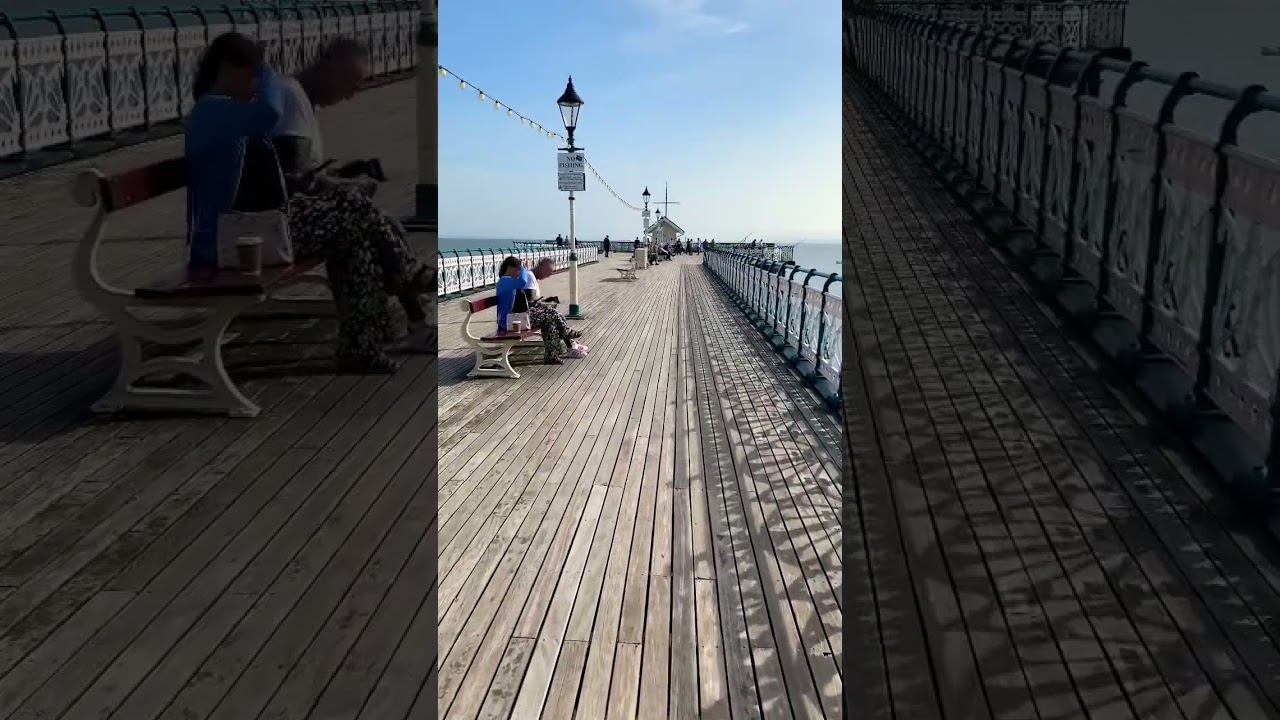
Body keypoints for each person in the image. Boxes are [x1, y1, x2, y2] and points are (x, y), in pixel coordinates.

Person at [254, 36, 432, 373]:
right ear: (330, 67)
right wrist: (344, 185)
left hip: (288, 221)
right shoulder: (292, 97)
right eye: (352, 82)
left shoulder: (300, 99)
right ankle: (407, 278)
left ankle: (363, 344)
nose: (353, 93)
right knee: (356, 209)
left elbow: (301, 171)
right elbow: (295, 179)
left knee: (359, 236)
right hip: (276, 227)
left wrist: (342, 174)